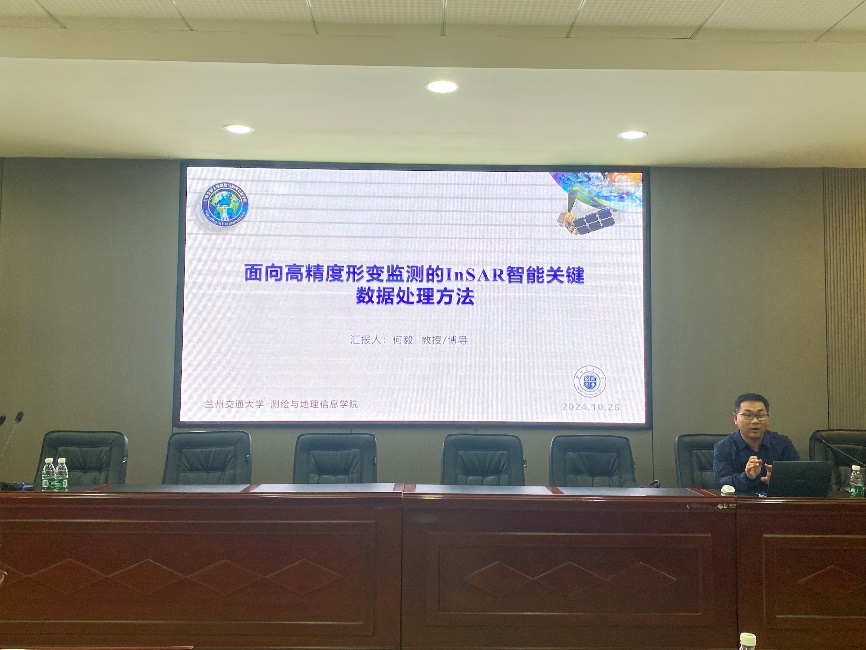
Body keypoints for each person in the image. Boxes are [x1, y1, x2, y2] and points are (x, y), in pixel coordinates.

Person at [713, 393, 799, 493]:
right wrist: (747, 477)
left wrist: (777, 482)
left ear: (768, 418)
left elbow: (799, 478)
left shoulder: (783, 444)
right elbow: (721, 482)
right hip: (741, 501)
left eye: (760, 415)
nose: (755, 421)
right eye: (748, 415)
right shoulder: (724, 447)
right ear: (735, 418)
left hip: (775, 501)